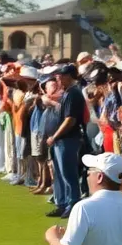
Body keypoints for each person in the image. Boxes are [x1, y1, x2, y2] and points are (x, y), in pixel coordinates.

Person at [46, 64, 87, 218]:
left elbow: (70, 120)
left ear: (69, 76)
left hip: (67, 139)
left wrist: (55, 136)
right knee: (59, 173)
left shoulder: (73, 93)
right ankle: (62, 203)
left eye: (60, 75)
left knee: (68, 174)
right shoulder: (67, 93)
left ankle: (73, 204)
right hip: (61, 140)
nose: (58, 78)